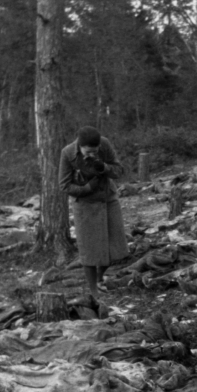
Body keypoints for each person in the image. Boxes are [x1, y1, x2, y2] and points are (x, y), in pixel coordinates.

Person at [59, 126, 128, 298]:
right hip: (85, 205)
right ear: (79, 146)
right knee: (89, 250)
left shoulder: (104, 144)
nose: (92, 154)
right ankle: (93, 290)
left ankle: (100, 278)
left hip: (108, 199)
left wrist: (104, 167)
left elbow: (119, 170)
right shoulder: (67, 153)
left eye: (95, 151)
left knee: (116, 246)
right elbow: (64, 185)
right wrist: (87, 188)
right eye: (88, 152)